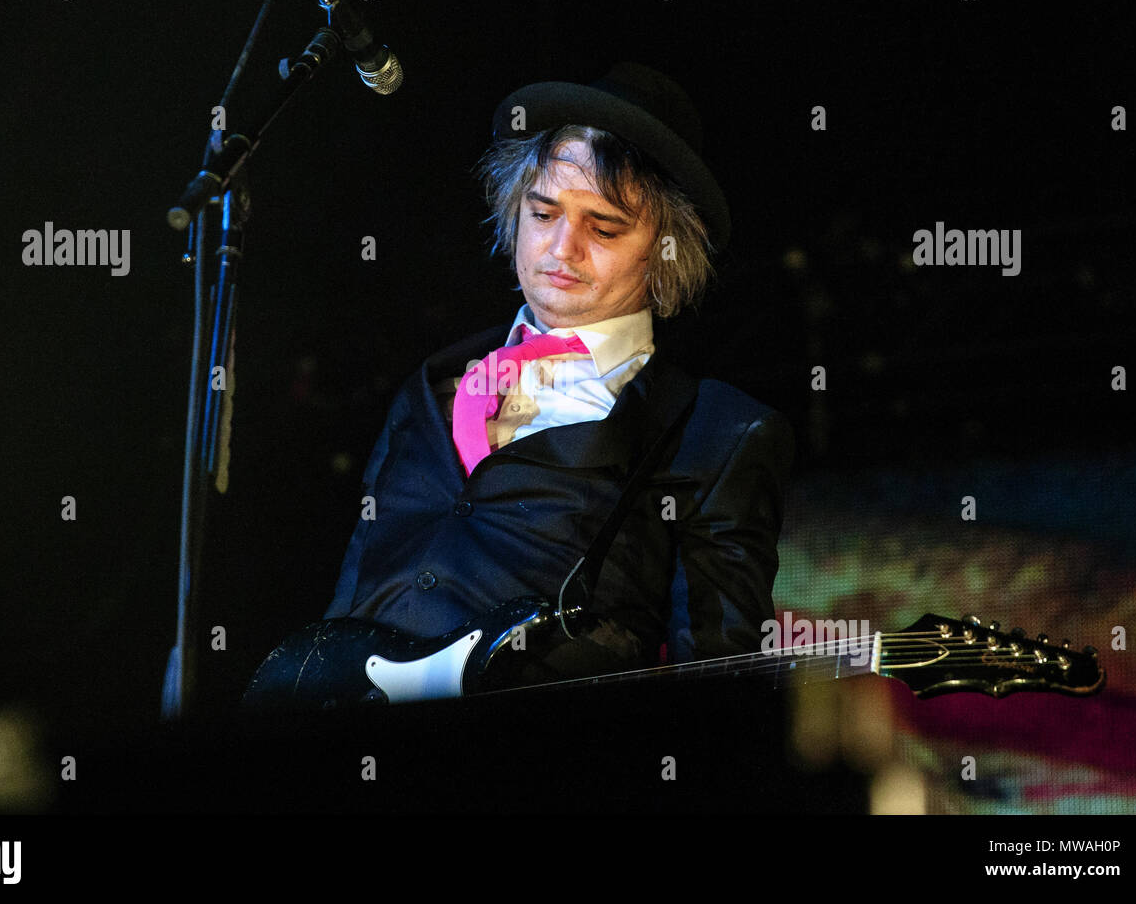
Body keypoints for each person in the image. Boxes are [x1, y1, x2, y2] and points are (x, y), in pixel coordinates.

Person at [320, 62, 795, 680]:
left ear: (666, 249)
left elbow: (715, 679)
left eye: (603, 227)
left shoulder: (718, 434)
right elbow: (343, 612)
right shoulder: (431, 389)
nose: (561, 248)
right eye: (544, 214)